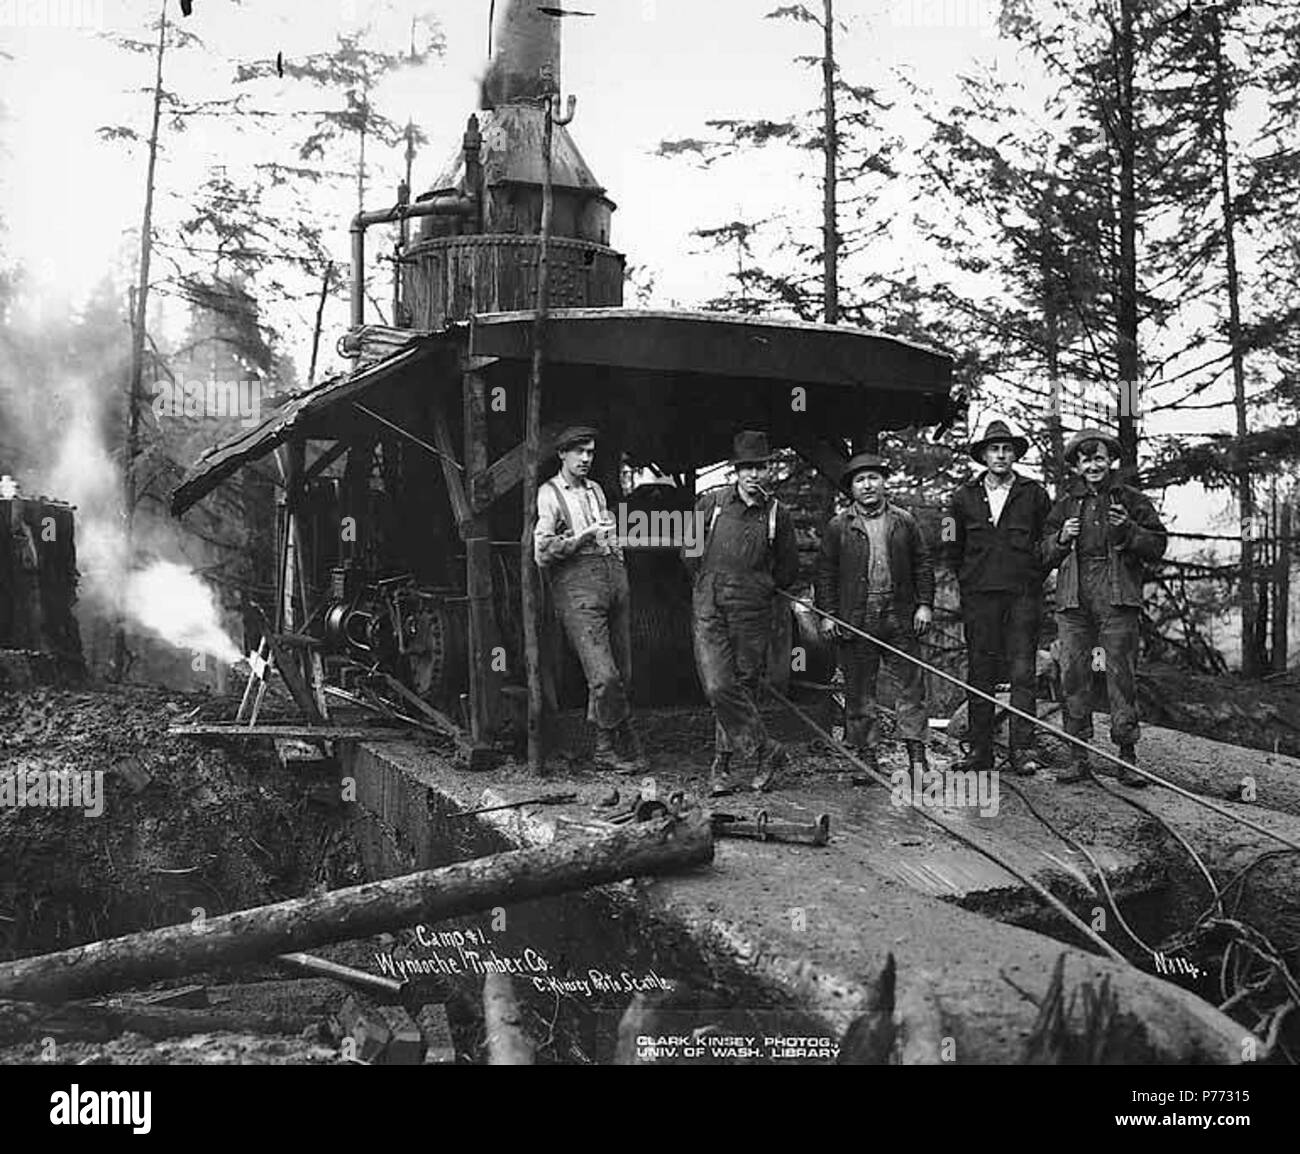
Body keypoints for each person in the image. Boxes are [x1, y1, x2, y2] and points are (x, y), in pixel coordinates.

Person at [1041, 428, 1168, 787]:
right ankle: (1077, 756)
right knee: (1072, 675)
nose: (1093, 466)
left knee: (1121, 677)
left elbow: (1158, 546)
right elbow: (1042, 554)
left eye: (1099, 458)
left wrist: (1128, 530)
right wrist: (1061, 538)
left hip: (1117, 597)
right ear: (1076, 466)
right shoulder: (1065, 505)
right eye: (1086, 460)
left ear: (1110, 461)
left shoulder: (1131, 500)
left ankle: (1128, 759)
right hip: (1073, 600)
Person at [686, 431, 799, 796]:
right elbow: (688, 553)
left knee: (743, 685)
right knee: (718, 685)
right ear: (735, 471)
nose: (752, 474)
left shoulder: (777, 514)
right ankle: (766, 750)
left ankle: (723, 765)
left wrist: (760, 587)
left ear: (768, 470)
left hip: (752, 610)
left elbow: (788, 569)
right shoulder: (711, 504)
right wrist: (708, 585)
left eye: (759, 467)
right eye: (745, 467)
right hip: (710, 604)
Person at [815, 453, 934, 783]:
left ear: (884, 483)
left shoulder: (904, 522)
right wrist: (828, 616)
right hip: (857, 617)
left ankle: (917, 760)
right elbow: (825, 573)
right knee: (859, 690)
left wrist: (924, 605)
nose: (867, 485)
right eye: (859, 480)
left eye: (873, 478)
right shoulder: (839, 526)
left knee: (911, 688)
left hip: (900, 614)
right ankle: (866, 758)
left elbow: (922, 564)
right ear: (851, 489)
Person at [944, 419, 1053, 776]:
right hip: (980, 599)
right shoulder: (962, 498)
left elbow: (1048, 543)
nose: (1001, 455)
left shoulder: (1034, 494)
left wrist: (1033, 578)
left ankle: (1022, 750)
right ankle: (980, 751)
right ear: (984, 455)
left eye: (1007, 449)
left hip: (1023, 596)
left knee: (1022, 671)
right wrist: (968, 579)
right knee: (981, 671)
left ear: (1014, 454)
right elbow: (951, 546)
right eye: (994, 449)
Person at [534, 426, 647, 773]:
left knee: (622, 672)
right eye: (579, 452)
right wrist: (582, 538)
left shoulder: (596, 490)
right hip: (577, 587)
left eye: (591, 452)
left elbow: (609, 532)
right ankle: (617, 741)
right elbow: (541, 551)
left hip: (612, 579)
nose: (586, 459)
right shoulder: (550, 493)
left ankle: (605, 745)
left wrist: (616, 552)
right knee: (604, 675)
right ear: (563, 454)